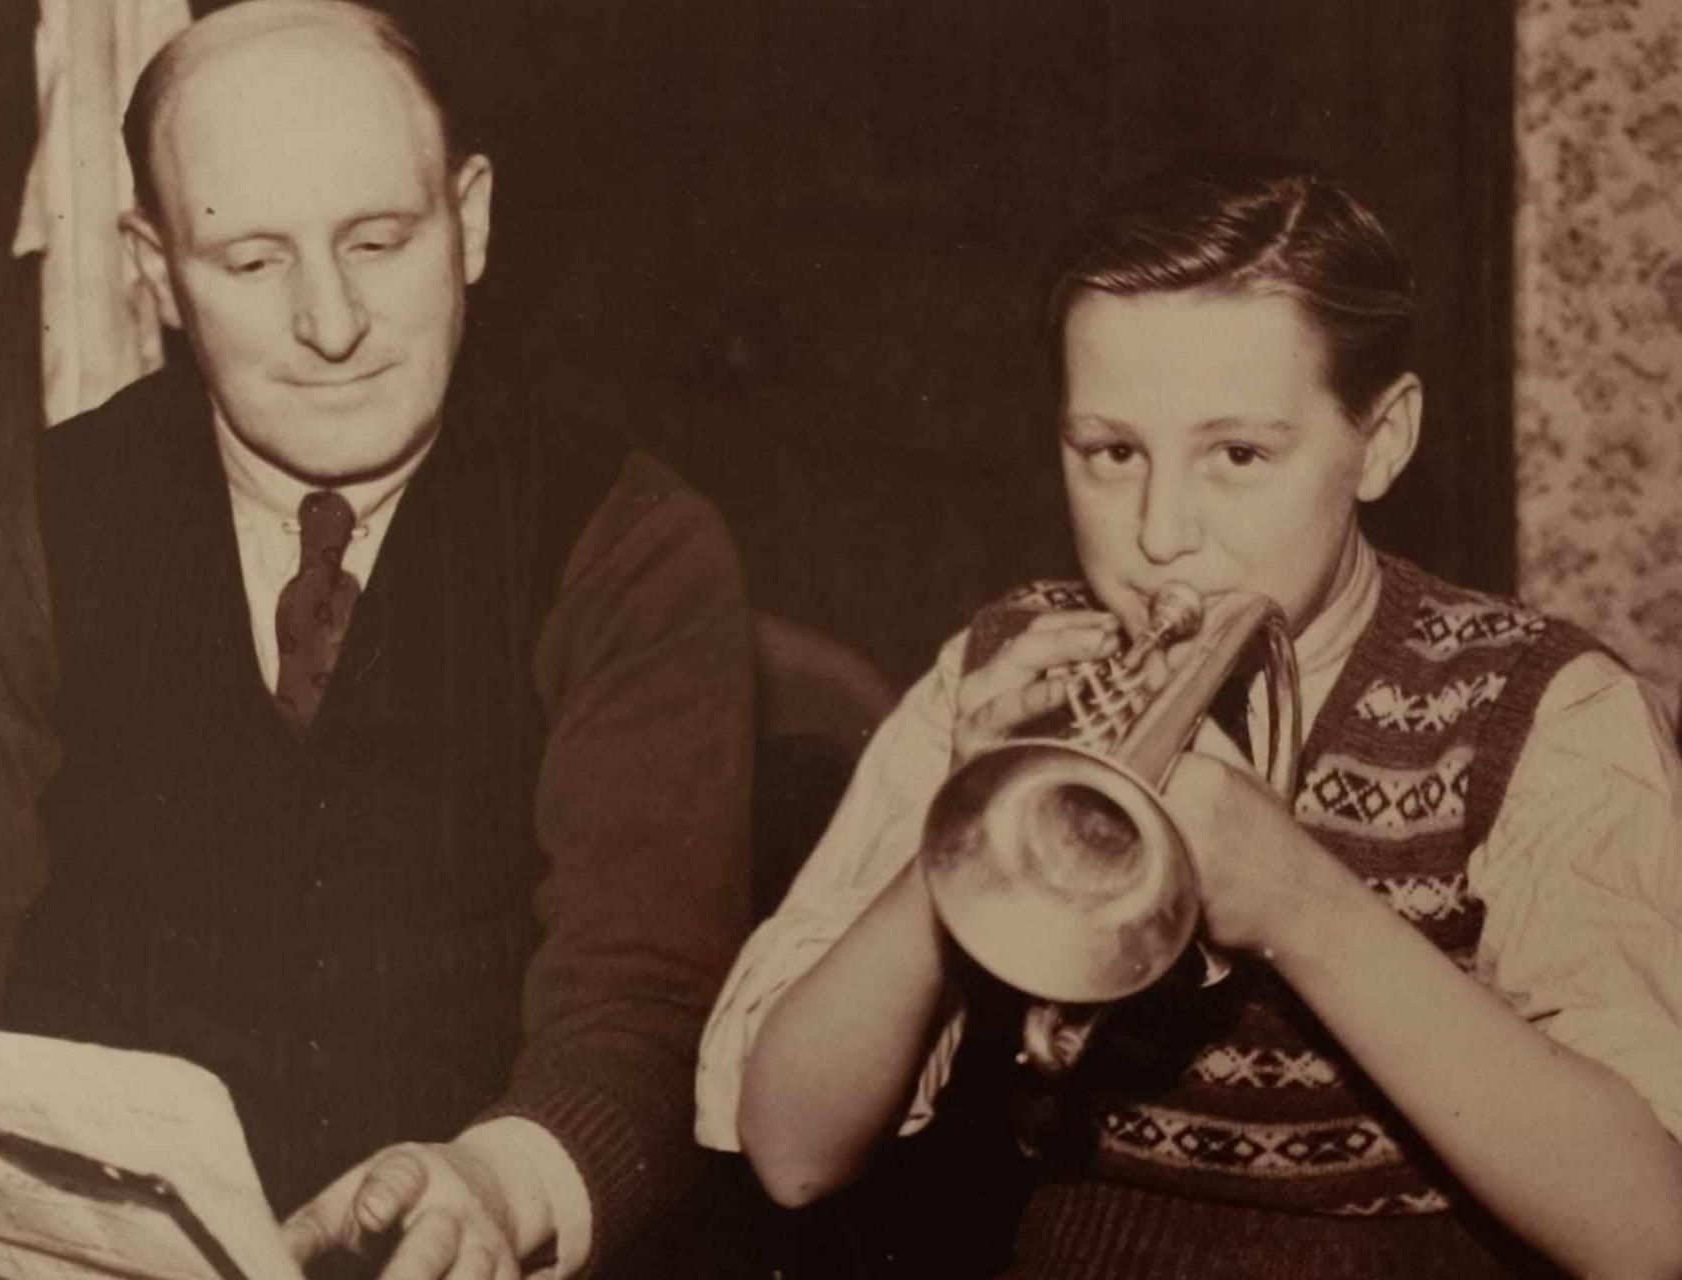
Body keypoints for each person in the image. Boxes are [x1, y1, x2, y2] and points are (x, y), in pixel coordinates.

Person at [0, 3, 755, 1278]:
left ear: (476, 220)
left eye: (379, 241)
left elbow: (644, 1004)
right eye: (251, 262)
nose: (331, 323)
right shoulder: (26, 531)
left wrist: (502, 1182)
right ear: (152, 268)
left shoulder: (631, 547)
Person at [696, 160, 1682, 1279]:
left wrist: (1301, 904)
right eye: (1112, 453)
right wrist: (959, 842)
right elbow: (790, 1150)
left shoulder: (1542, 707)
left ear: (1385, 438)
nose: (1161, 533)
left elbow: (1651, 1230)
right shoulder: (1012, 672)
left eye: (1240, 456)